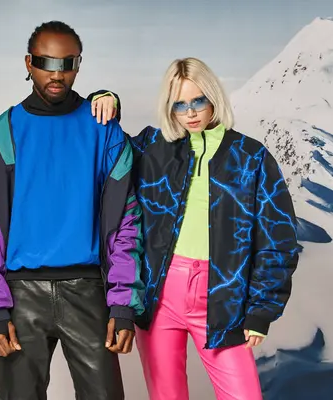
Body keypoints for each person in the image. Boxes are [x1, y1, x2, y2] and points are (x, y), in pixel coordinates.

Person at [88, 57, 299, 400]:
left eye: (198, 100)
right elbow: (111, 149)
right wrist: (105, 98)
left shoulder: (250, 157)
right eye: (180, 104)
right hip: (159, 296)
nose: (190, 112)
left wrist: (261, 310)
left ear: (213, 96)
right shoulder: (152, 147)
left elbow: (278, 238)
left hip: (221, 298)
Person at [0, 21, 145, 400]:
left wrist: (123, 304)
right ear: (29, 63)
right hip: (20, 296)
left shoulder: (103, 129)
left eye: (67, 62)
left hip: (88, 291)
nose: (57, 73)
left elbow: (127, 223)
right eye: (46, 61)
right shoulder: (5, 131)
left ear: (79, 65)